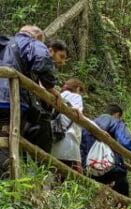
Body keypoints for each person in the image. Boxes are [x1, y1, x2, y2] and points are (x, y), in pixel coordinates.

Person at [0, 27, 64, 169]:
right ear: (37, 35)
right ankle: (6, 178)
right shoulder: (31, 43)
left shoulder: (5, 43)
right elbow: (41, 59)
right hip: (12, 100)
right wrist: (51, 88)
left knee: (3, 137)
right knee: (9, 138)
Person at [80, 103, 131, 197]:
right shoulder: (115, 122)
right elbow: (126, 142)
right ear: (117, 114)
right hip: (111, 170)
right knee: (122, 193)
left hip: (89, 168)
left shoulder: (89, 124)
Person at [51, 78, 85, 172]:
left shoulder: (56, 96)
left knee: (54, 173)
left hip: (54, 139)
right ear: (78, 88)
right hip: (69, 142)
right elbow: (78, 115)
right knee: (71, 176)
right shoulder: (76, 97)